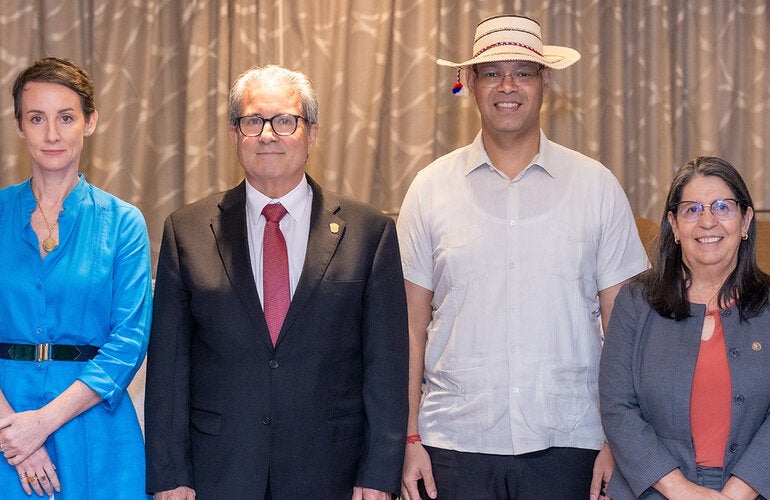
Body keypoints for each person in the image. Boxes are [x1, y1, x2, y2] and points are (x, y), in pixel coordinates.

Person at [397, 14, 649, 500]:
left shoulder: (596, 187)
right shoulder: (429, 190)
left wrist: (620, 441)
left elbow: (626, 328)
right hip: (452, 444)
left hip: (573, 442)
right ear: (469, 83)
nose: (507, 86)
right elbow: (409, 325)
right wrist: (407, 439)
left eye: (524, 72)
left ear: (545, 82)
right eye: (491, 72)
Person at [144, 64, 409, 500]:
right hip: (219, 471)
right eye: (253, 121)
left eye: (285, 120)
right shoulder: (187, 230)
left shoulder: (369, 233)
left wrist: (379, 474)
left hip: (332, 473)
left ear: (312, 133)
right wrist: (170, 474)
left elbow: (386, 367)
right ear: (234, 136)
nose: (268, 134)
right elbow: (170, 369)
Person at [0, 57, 153, 498]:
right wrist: (18, 439)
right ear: (19, 126)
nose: (51, 134)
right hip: (5, 426)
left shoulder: (124, 222)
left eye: (66, 117)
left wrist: (42, 424)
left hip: (94, 429)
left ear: (89, 122)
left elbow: (128, 343)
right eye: (36, 118)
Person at [599, 156, 770, 499]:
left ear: (745, 220)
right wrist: (680, 491)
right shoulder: (636, 302)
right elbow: (617, 406)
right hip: (651, 489)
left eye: (723, 207)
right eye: (692, 210)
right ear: (674, 226)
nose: (708, 221)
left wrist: (739, 491)